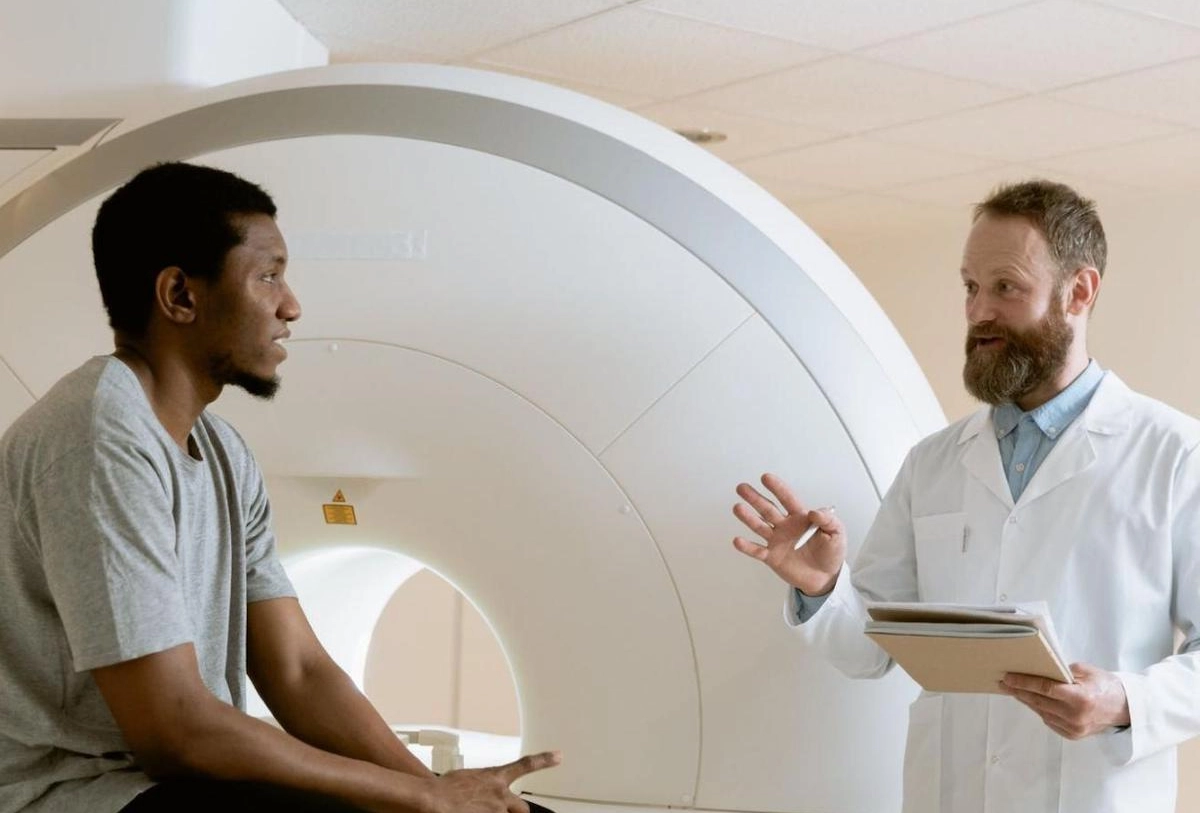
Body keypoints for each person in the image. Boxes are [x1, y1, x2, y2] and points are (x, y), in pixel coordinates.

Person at [0, 162, 560, 813]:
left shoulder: (223, 454)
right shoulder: (98, 439)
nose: (290, 305)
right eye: (268, 275)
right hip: (74, 794)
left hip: (174, 784)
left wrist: (442, 796)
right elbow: (174, 729)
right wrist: (416, 797)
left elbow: (298, 670)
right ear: (180, 294)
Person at [731, 179, 1200, 813]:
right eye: (971, 287)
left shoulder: (1173, 454)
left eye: (1006, 287)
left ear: (1079, 293)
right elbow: (871, 649)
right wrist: (823, 589)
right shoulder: (933, 463)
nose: (979, 312)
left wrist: (1124, 702)